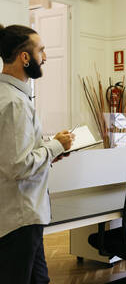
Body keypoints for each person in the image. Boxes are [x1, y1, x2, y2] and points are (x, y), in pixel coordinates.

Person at [0, 24, 74, 283]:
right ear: (25, 57)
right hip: (20, 217)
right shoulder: (14, 103)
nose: (45, 57)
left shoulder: (11, 97)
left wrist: (51, 150)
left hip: (22, 216)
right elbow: (17, 165)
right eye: (41, 50)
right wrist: (55, 146)